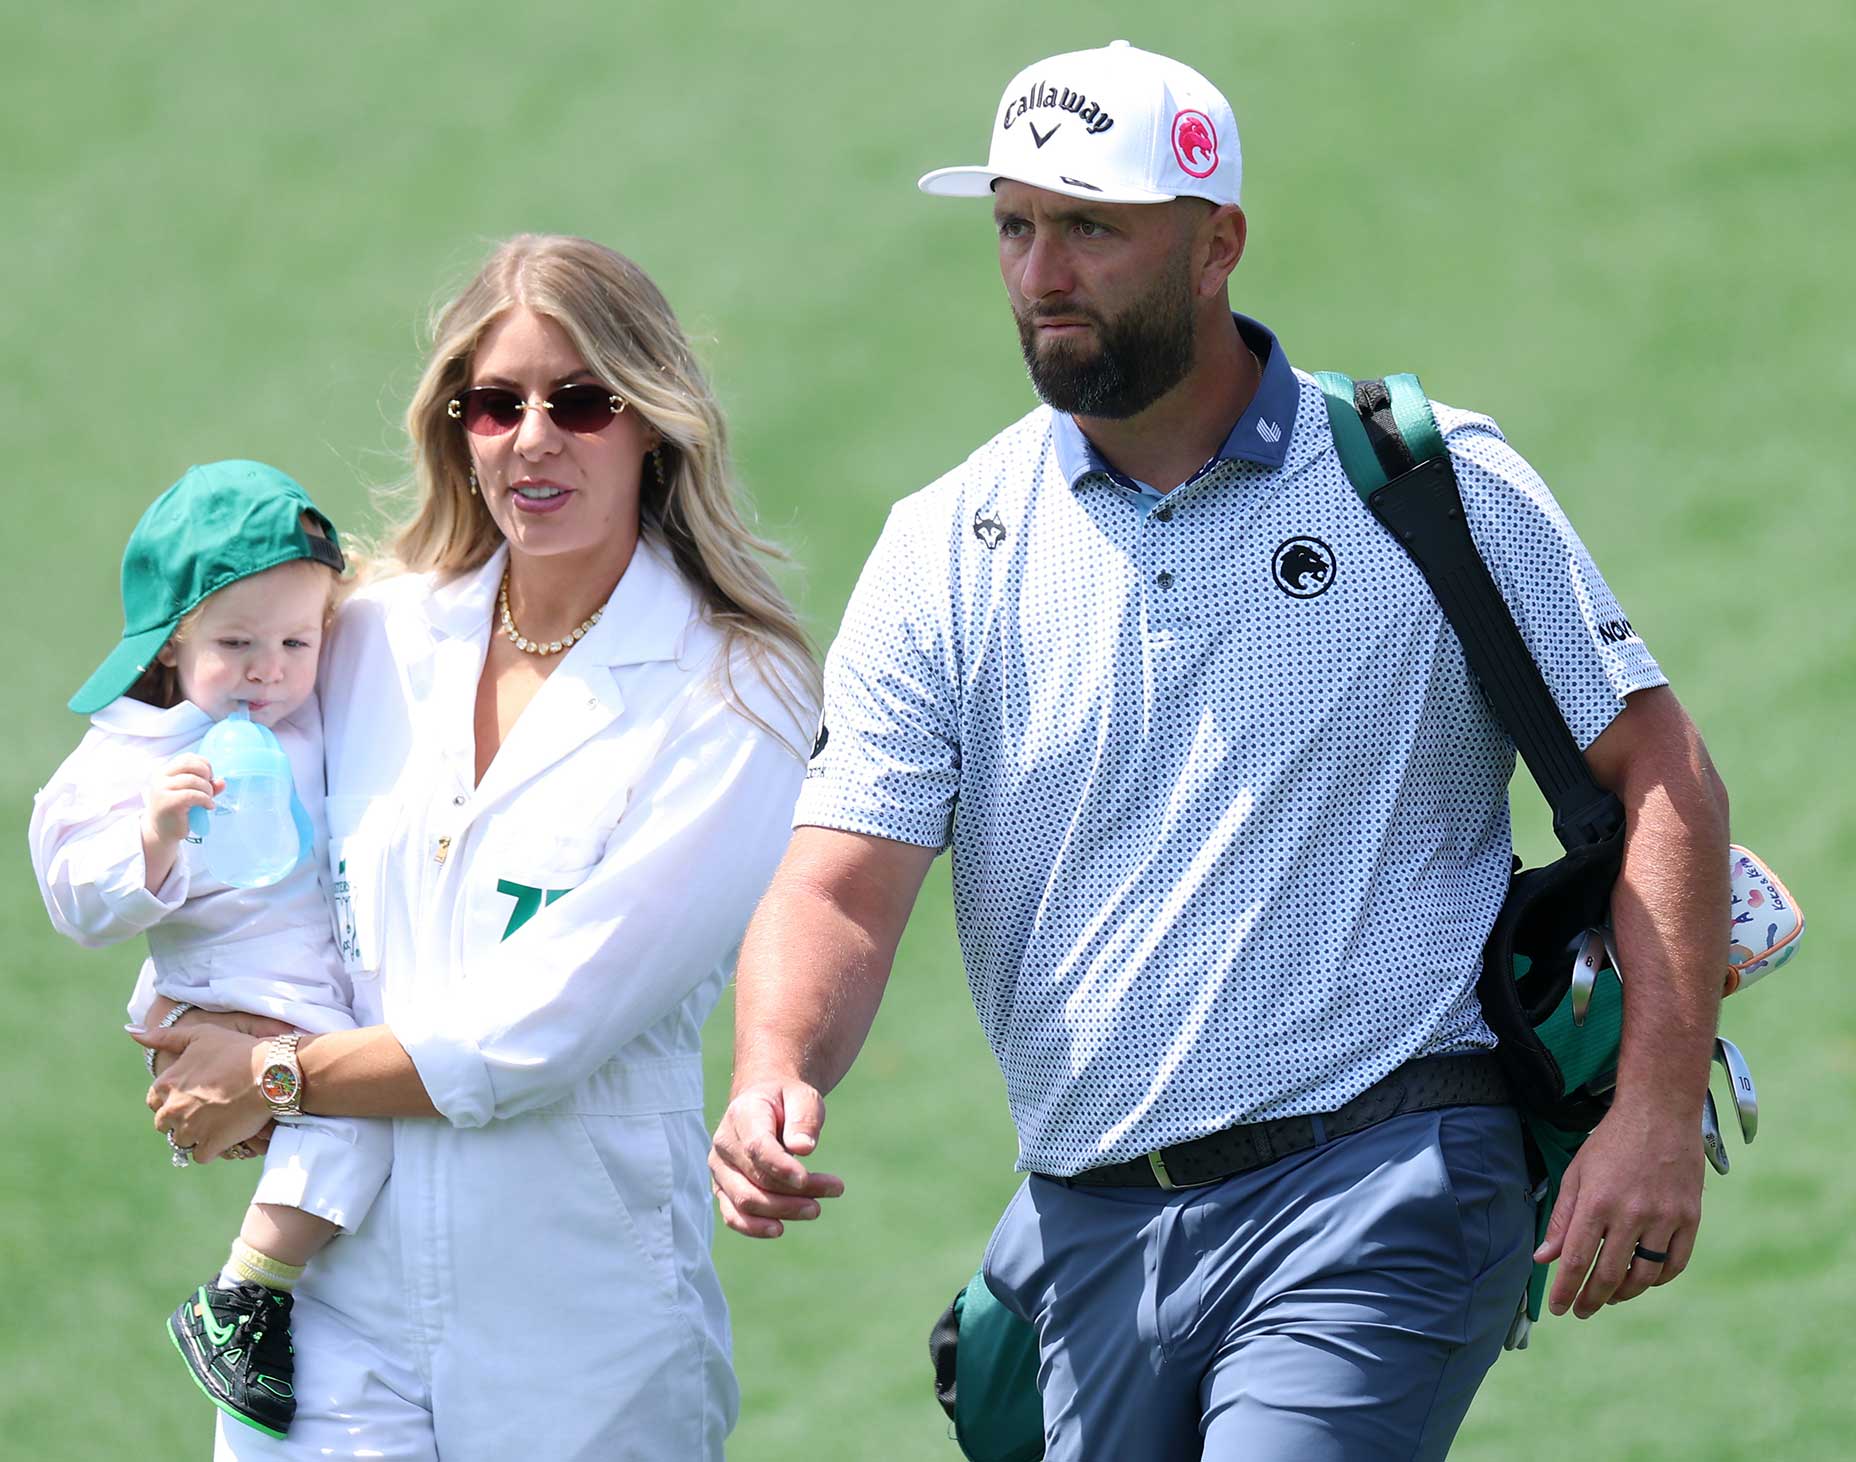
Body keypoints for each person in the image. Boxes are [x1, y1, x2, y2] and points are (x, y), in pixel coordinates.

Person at [708, 40, 1730, 1461]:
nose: (1042, 270)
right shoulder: (944, 546)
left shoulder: (1427, 480)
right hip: (1088, 1229)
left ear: (1215, 245)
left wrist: (1659, 1113)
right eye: (1016, 225)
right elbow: (837, 883)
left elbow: (1663, 773)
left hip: (1384, 1175)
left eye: (1092, 228)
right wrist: (774, 1062)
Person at [133, 233, 818, 1460]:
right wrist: (197, 1021)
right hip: (333, 1300)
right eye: (495, 404)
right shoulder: (366, 635)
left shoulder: (738, 695)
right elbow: (231, 847)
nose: (533, 438)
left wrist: (275, 1073)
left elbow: (544, 1025)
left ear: (652, 420)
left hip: (582, 1327)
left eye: (582, 401)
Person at [30, 460, 383, 1440]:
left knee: (358, 1102)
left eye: (294, 640)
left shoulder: (311, 707)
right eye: (235, 643)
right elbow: (72, 893)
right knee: (352, 1110)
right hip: (224, 983)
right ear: (175, 641)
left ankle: (265, 1286)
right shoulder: (136, 752)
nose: (268, 668)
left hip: (311, 978)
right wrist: (150, 837)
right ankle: (244, 1295)